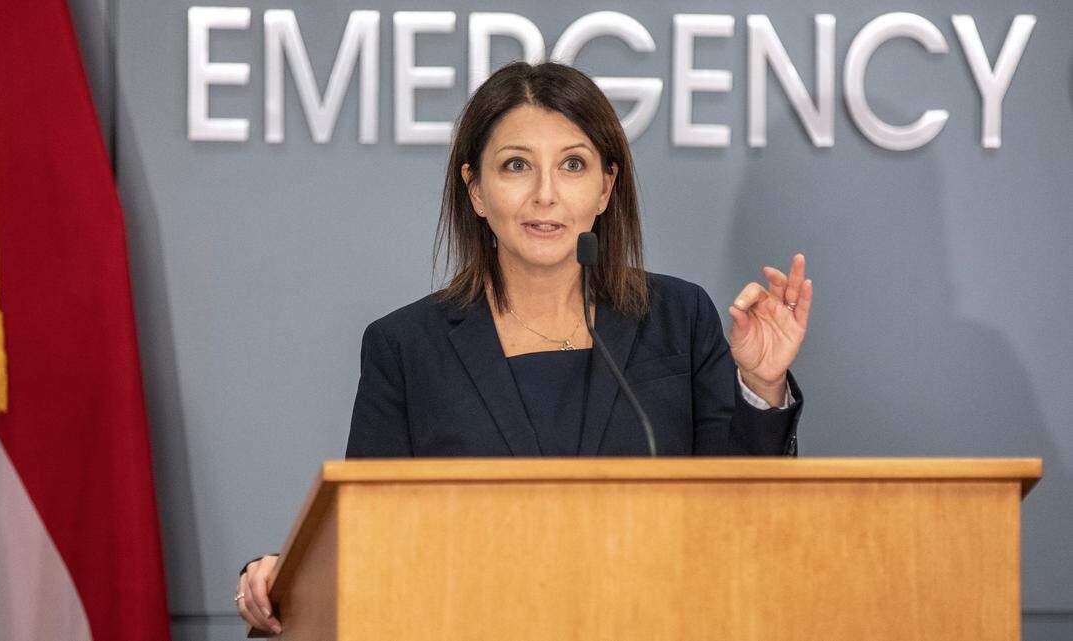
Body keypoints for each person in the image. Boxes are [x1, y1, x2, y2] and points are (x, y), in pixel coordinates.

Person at [235, 61, 813, 634]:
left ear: (605, 188)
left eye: (572, 165)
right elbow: (367, 541)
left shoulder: (676, 317)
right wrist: (283, 580)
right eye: (517, 165)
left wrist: (761, 384)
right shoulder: (406, 347)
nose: (545, 195)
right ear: (476, 190)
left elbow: (738, 518)